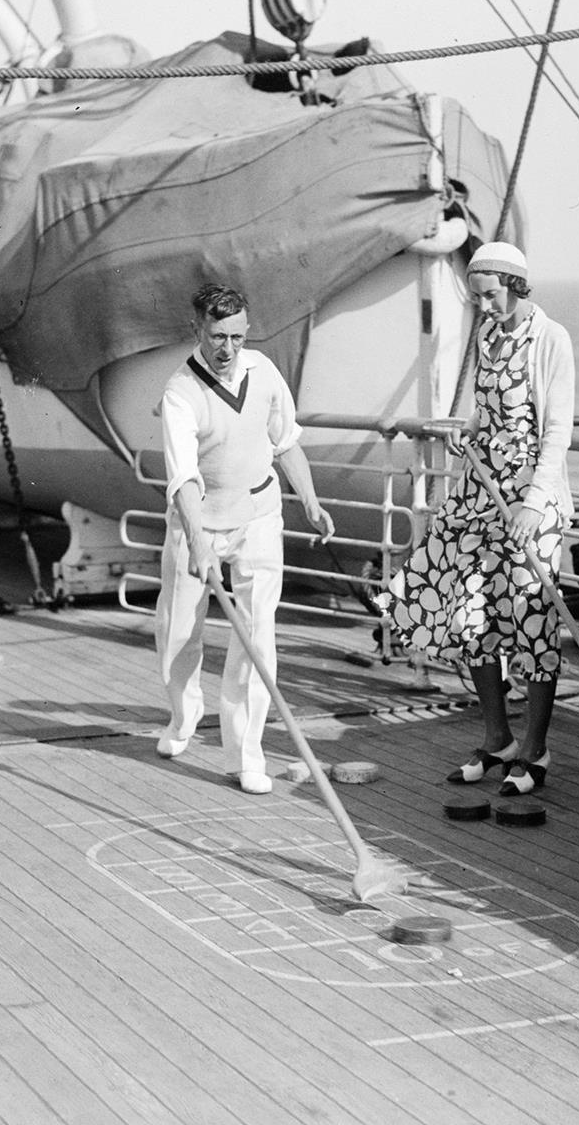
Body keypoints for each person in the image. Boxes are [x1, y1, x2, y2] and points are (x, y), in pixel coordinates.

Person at [379, 242, 575, 797]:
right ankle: (498, 739)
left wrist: (532, 504)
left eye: (490, 295)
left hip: (529, 504)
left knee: (530, 616)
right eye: (477, 298)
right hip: (481, 491)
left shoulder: (550, 339)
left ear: (515, 285)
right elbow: (492, 410)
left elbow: (555, 431)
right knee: (471, 614)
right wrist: (470, 426)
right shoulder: (488, 334)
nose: (484, 307)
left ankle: (536, 749)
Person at [154, 283, 334, 794]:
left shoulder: (265, 372)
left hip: (258, 514)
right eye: (217, 336)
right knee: (177, 633)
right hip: (199, 518)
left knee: (256, 637)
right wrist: (200, 542)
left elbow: (287, 441)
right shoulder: (179, 393)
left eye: (236, 335)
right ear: (197, 331)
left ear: (247, 331)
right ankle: (183, 715)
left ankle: (245, 755)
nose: (227, 348)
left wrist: (312, 500)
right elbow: (184, 480)